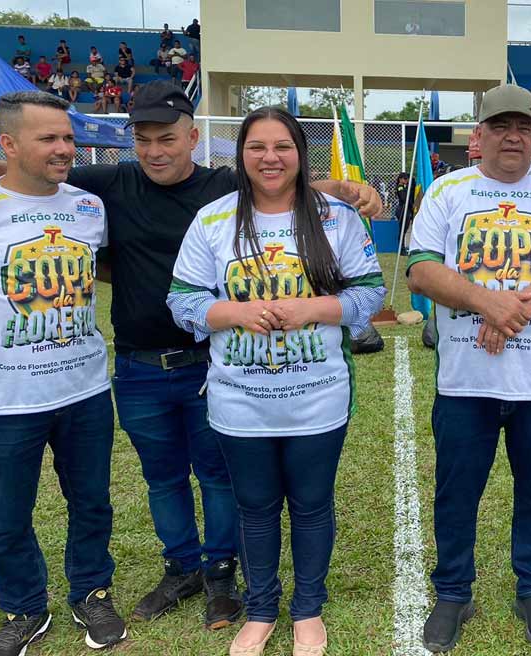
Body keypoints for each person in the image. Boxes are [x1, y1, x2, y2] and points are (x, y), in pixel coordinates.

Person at [0, 80, 383, 637]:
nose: (155, 150)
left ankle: (221, 574)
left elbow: (278, 178)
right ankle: (179, 568)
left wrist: (344, 187)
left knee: (218, 479)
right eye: (144, 139)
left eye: (168, 138)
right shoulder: (105, 185)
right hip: (138, 366)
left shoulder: (220, 186)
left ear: (193, 139)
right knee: (162, 479)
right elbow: (29, 170)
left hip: (206, 366)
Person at [168, 104, 385, 656]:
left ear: (300, 153)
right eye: (257, 147)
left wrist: (313, 308)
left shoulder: (336, 217)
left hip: (318, 398)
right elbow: (182, 300)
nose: (270, 157)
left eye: (282, 146)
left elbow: (370, 293)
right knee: (256, 508)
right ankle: (262, 608)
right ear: (241, 155)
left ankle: (308, 607)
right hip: (240, 402)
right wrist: (235, 313)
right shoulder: (213, 219)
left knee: (312, 505)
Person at [406, 84, 531, 653]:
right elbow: (420, 269)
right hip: (464, 380)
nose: (513, 137)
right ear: (479, 134)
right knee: (456, 492)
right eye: (500, 126)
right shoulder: (449, 190)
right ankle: (452, 592)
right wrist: (485, 301)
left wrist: (514, 307)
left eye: (523, 127)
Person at [0, 90, 127, 654]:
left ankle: (92, 592)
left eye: (67, 137)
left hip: (85, 390)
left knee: (91, 501)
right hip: (2, 400)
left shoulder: (88, 206)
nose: (64, 148)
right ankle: (24, 608)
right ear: (8, 144)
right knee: (9, 515)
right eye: (47, 138)